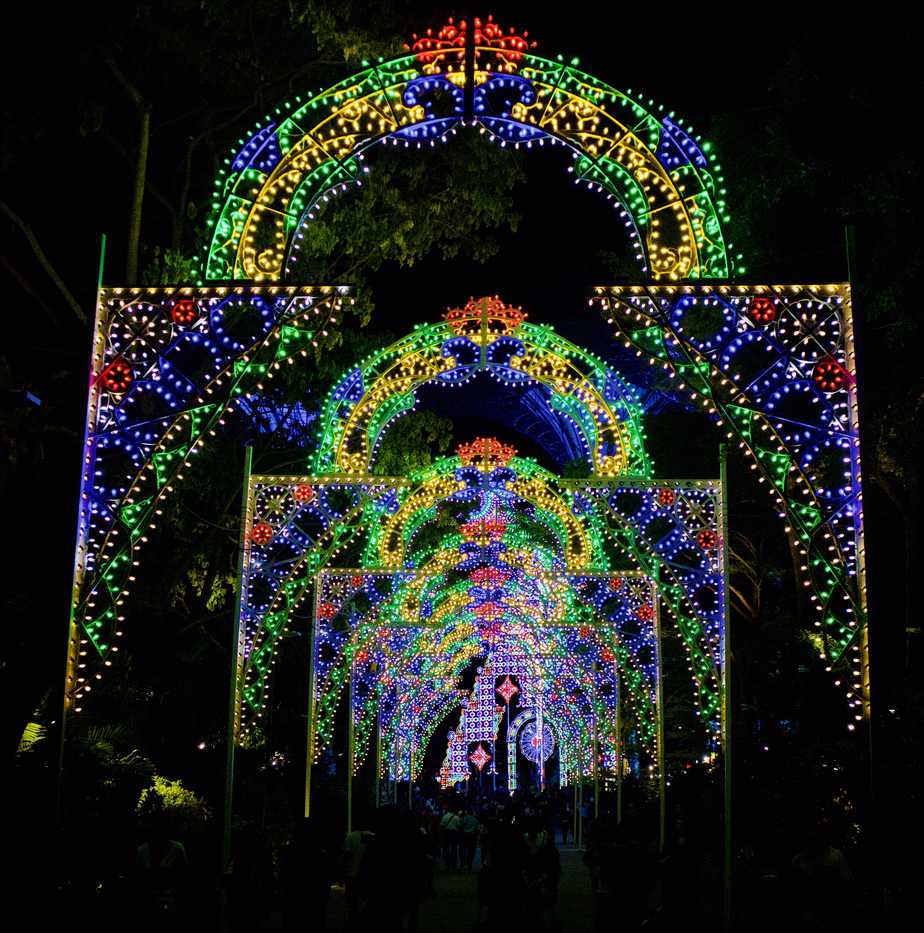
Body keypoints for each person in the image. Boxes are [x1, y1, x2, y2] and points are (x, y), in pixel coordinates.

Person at [341, 824, 375, 929]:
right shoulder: (372, 836)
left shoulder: (350, 836)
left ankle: (353, 922)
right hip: (367, 875)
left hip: (352, 873)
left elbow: (347, 854)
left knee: (352, 901)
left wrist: (342, 869)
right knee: (365, 900)